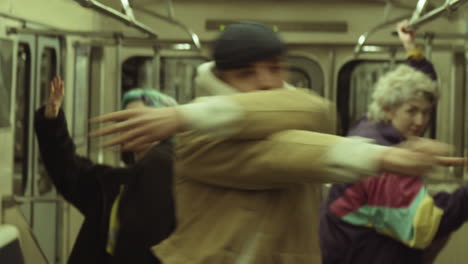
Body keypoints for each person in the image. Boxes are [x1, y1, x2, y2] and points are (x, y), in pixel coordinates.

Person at [90, 22, 464, 264]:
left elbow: (316, 112)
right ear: (221, 78)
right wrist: (381, 157)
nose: (267, 82)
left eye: (274, 68)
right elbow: (281, 156)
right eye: (247, 74)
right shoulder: (197, 137)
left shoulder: (294, 109)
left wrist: (181, 114)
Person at [319, 21, 467, 264]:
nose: (421, 121)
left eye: (426, 112)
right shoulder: (384, 158)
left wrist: (413, 50)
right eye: (412, 111)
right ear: (389, 110)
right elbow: (427, 224)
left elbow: (419, 86)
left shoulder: (372, 122)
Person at [34, 77, 176, 264]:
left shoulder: (176, 183)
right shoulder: (114, 184)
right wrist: (52, 120)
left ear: (164, 129)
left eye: (140, 119)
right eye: (125, 120)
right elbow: (68, 168)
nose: (130, 126)